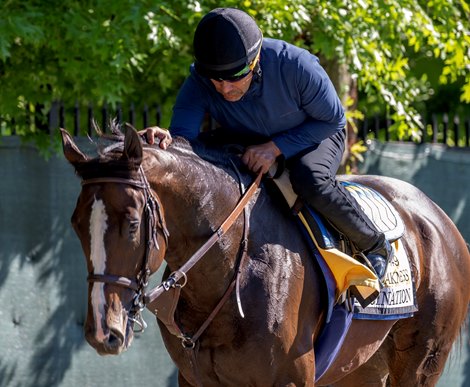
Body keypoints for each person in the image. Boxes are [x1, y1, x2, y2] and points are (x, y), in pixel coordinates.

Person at [143, 7, 392, 280]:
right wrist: (167, 139)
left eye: (236, 76)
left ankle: (374, 244)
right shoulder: (199, 81)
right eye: (216, 80)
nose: (225, 90)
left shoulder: (298, 66)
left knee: (309, 179)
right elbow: (184, 143)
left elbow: (332, 120)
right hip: (248, 139)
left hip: (314, 133)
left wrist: (275, 148)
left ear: (256, 59)